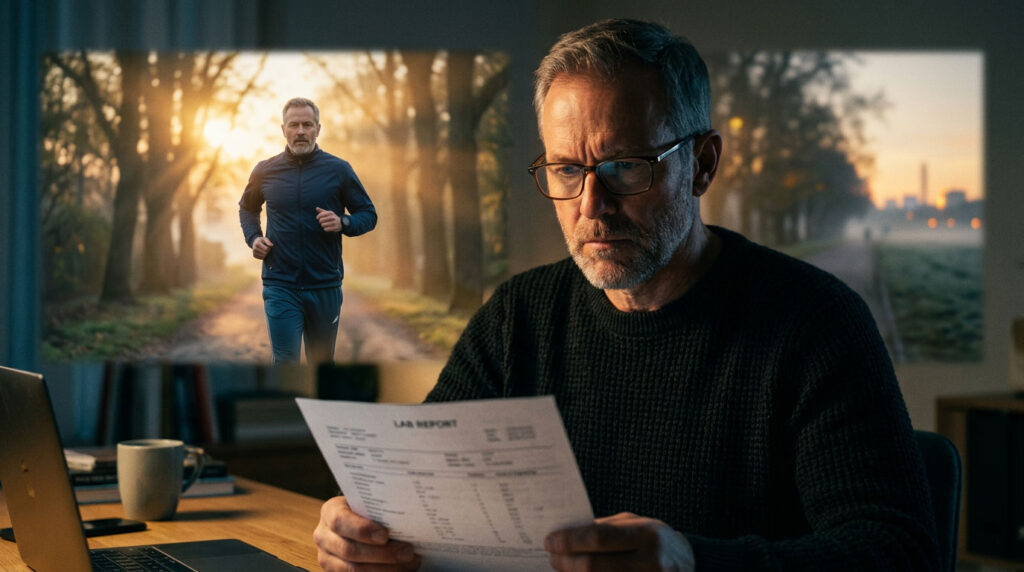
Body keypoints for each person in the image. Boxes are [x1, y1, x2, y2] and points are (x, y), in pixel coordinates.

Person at [313, 19, 939, 571]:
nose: (592, 207)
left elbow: (899, 552)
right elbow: (419, 486)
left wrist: (695, 563)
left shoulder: (816, 324)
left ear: (702, 164)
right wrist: (362, 529)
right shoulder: (518, 317)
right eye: (567, 170)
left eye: (624, 167)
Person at [239, 97, 377, 365]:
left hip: (324, 285)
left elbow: (368, 215)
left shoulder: (339, 170)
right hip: (280, 284)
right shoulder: (265, 170)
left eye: (307, 124)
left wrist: (343, 222)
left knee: (322, 366)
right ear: (283, 130)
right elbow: (247, 209)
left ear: (318, 129)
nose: (300, 131)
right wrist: (253, 238)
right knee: (286, 361)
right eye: (294, 125)